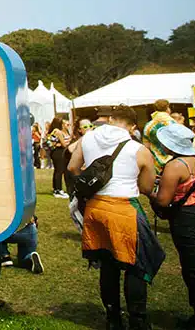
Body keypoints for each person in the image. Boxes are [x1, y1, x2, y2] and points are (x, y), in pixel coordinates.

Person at [68, 106, 163, 330]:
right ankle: (137, 320)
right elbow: (146, 187)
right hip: (124, 209)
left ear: (110, 119)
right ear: (133, 126)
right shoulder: (138, 148)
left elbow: (73, 167)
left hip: (95, 207)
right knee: (136, 266)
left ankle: (113, 318)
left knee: (108, 265)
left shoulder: (88, 137)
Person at [150, 122, 195, 329]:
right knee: (194, 269)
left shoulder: (175, 166)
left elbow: (163, 200)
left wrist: (149, 192)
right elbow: (191, 185)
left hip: (188, 220)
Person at [46, 116, 70, 198]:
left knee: (58, 171)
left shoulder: (55, 131)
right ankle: (58, 190)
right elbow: (63, 144)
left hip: (56, 152)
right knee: (59, 171)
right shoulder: (58, 132)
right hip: (58, 152)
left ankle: (56, 188)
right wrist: (69, 143)